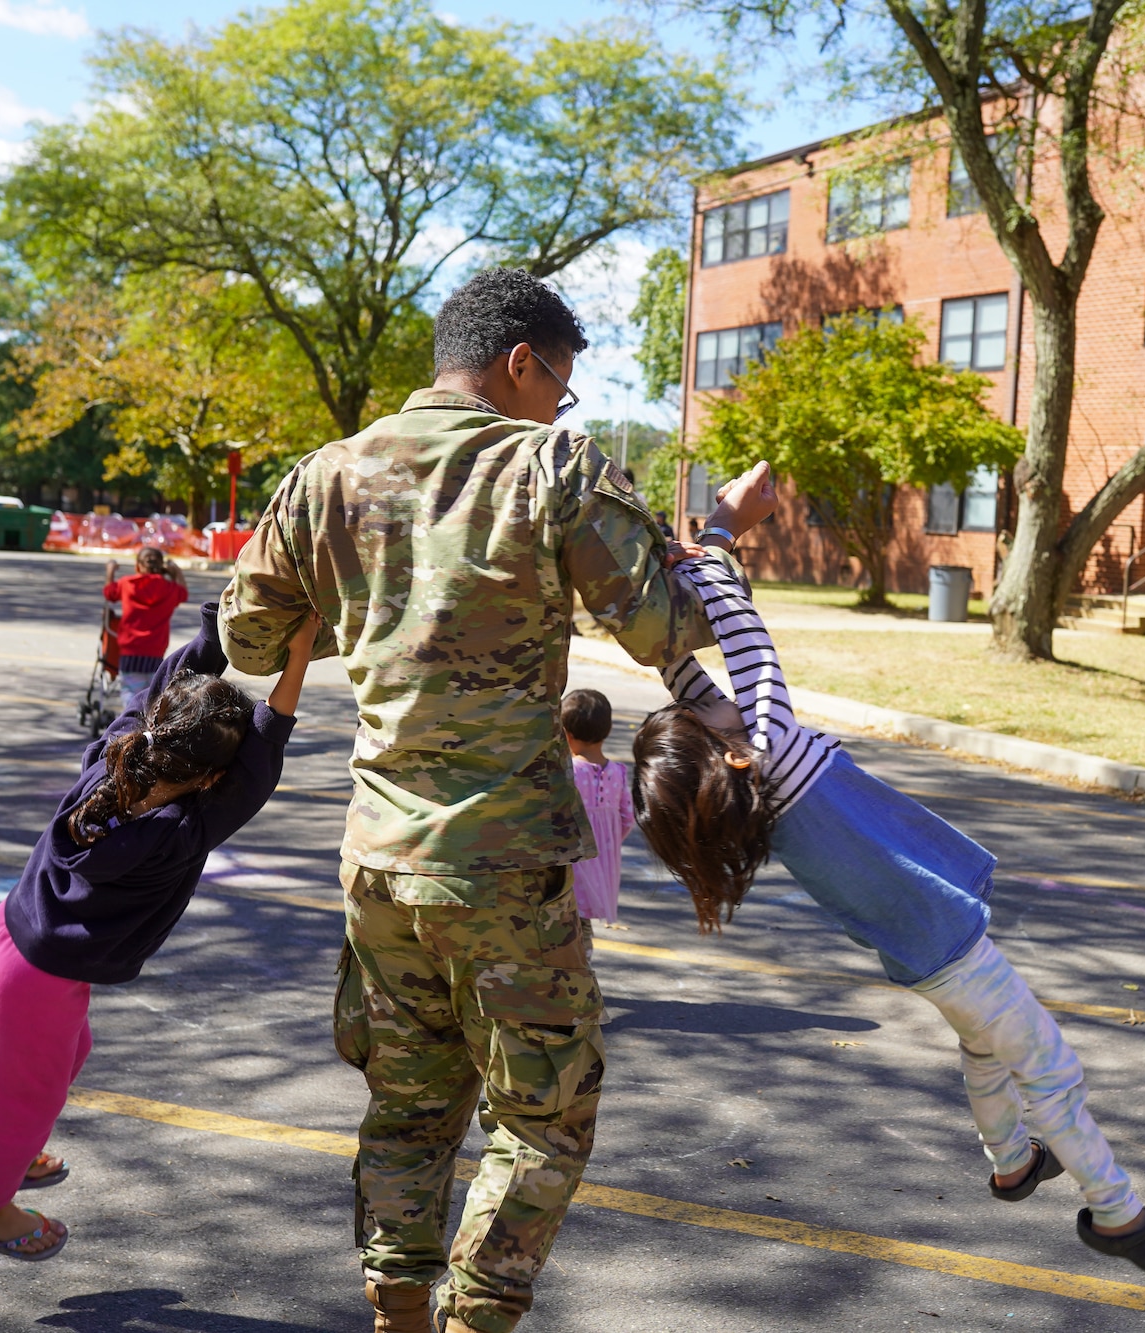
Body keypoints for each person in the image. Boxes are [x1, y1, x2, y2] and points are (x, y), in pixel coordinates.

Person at [217, 267, 775, 1333]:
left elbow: (247, 638)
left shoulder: (322, 475)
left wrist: (369, 608)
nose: (559, 407)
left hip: (379, 858)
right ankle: (478, 1312)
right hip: (504, 864)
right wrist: (722, 537)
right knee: (544, 1112)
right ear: (521, 362)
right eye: (558, 385)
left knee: (410, 1104)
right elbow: (663, 630)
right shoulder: (552, 465)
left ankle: (397, 1306)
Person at [631, 544, 1145, 1281]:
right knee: (1047, 1066)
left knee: (984, 1047)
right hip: (950, 948)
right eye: (708, 704)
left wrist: (659, 577)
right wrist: (712, 550)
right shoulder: (774, 751)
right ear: (731, 752)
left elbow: (679, 665)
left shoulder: (759, 790)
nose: (716, 691)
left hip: (927, 955)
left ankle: (1011, 1165)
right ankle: (1118, 1215)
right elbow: (749, 641)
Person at [0, 604, 317, 1260]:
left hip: (11, 936)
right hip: (37, 972)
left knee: (59, 1061)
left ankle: (11, 1149)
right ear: (210, 777)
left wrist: (215, 630)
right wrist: (299, 654)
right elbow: (265, 751)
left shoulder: (118, 753)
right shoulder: (181, 832)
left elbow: (164, 693)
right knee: (30, 1097)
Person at [560, 688, 635, 960]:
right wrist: (608, 844)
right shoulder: (618, 772)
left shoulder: (569, 771)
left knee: (562, 919)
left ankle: (569, 971)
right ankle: (584, 962)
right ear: (609, 729)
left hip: (570, 863)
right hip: (601, 862)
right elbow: (627, 817)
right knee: (582, 922)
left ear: (565, 733)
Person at [104, 546, 190, 710]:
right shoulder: (169, 588)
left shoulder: (127, 583)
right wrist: (176, 572)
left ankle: (129, 723)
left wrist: (110, 570)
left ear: (138, 566)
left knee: (131, 691)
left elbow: (109, 593)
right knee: (153, 695)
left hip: (131, 650)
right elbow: (183, 593)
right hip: (155, 651)